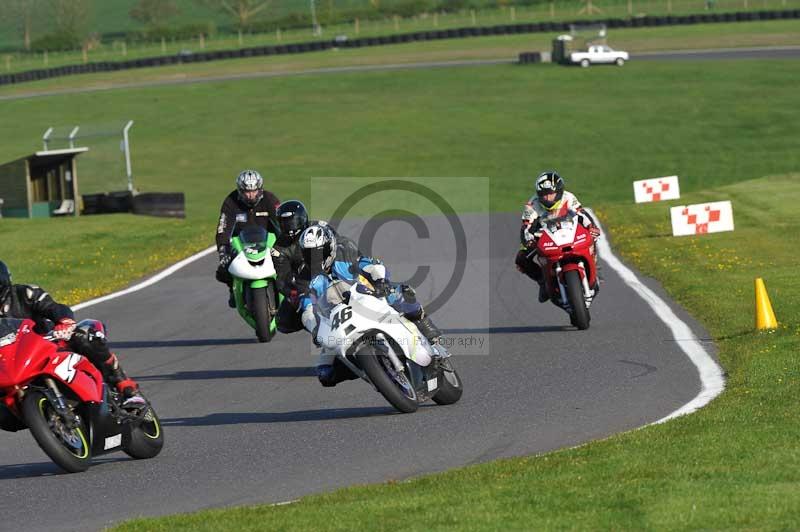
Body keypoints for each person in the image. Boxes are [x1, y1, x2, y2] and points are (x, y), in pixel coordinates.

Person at [298, 224, 442, 387]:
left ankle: (430, 335)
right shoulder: (305, 276)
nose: (315, 259)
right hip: (339, 321)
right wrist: (315, 328)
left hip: (369, 296)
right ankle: (372, 370)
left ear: (330, 247)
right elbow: (307, 308)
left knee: (401, 294)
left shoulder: (343, 253)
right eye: (309, 254)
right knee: (325, 373)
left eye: (319, 252)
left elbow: (369, 264)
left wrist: (380, 280)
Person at [0, 260, 145, 408]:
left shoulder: (25, 293)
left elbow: (52, 307)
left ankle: (123, 384)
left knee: (85, 335)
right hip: (11, 363)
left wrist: (64, 321)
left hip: (48, 344)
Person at [515, 171, 601, 302]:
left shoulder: (568, 197)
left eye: (551, 194)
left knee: (591, 237)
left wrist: (591, 227)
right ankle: (543, 281)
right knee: (521, 259)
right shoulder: (532, 205)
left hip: (569, 231)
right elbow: (526, 227)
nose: (547, 198)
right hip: (544, 236)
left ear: (559, 191)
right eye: (544, 195)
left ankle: (594, 265)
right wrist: (529, 241)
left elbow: (582, 214)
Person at [215, 170, 281, 307]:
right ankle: (233, 289)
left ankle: (288, 289)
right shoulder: (231, 201)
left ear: (260, 189)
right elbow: (223, 227)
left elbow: (281, 222)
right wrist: (222, 248)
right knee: (222, 269)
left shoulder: (270, 199)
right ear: (240, 191)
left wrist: (287, 241)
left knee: (289, 262)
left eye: (254, 191)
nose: (250, 195)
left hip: (268, 242)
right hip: (241, 243)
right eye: (247, 191)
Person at [271, 200, 313, 334]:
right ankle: (316, 330)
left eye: (292, 221)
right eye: (284, 222)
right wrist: (293, 293)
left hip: (332, 273)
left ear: (302, 219)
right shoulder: (279, 248)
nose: (289, 226)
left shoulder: (319, 228)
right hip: (305, 285)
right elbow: (282, 278)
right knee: (283, 321)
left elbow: (342, 244)